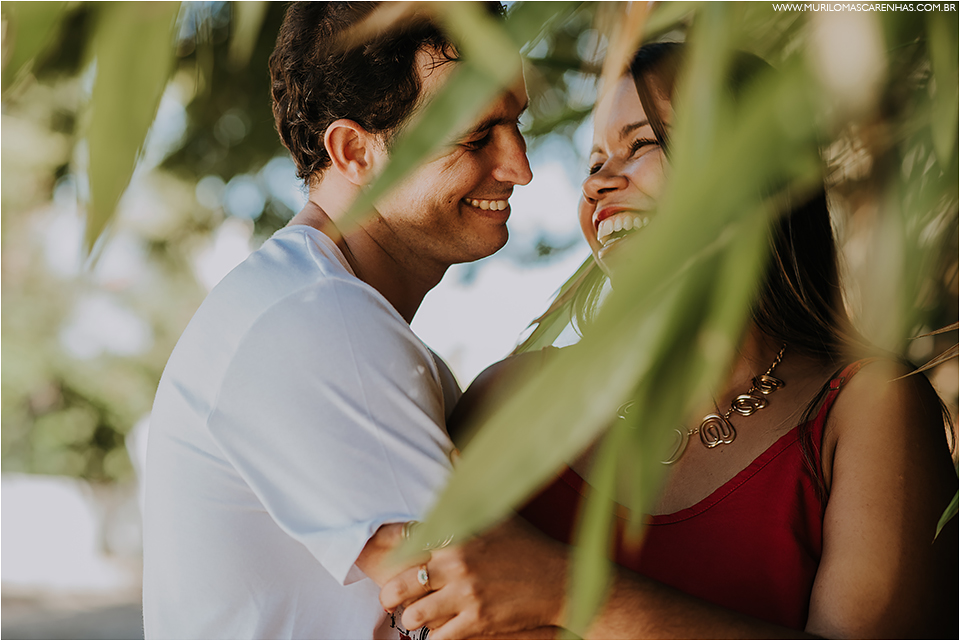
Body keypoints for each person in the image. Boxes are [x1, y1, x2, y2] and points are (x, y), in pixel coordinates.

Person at [377, 42, 958, 639]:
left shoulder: (865, 409)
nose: (600, 182)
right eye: (595, 160)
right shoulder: (510, 397)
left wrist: (568, 593)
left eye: (642, 144)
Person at [141, 2, 531, 638]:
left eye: (517, 125)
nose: (520, 167)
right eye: (477, 135)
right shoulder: (320, 321)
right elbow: (497, 620)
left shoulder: (317, 308)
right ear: (355, 151)